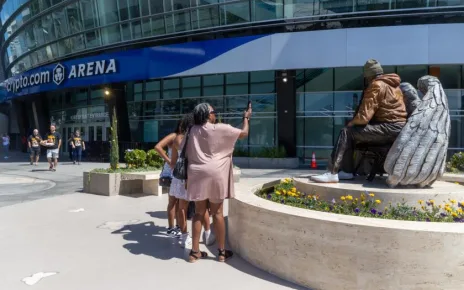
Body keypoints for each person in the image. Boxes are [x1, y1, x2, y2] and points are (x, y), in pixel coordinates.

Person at [173, 103, 251, 263]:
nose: (215, 114)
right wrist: (246, 118)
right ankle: (221, 252)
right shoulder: (220, 128)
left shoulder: (191, 130)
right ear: (209, 115)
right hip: (217, 175)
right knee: (217, 213)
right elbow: (244, 133)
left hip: (196, 175)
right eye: (214, 112)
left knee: (198, 213)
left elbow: (182, 148)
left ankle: (194, 253)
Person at [311, 59, 408, 183]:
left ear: (368, 75)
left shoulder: (376, 85)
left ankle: (332, 172)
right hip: (397, 129)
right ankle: (346, 171)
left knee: (346, 132)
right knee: (351, 133)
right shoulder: (394, 86)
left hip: (388, 128)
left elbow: (363, 117)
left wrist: (351, 123)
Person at [170, 113, 216, 249]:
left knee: (181, 207)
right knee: (202, 207)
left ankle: (185, 237)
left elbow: (173, 162)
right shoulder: (199, 138)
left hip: (181, 177)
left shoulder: (178, 139)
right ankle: (207, 234)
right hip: (197, 176)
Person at [155, 121, 181, 238]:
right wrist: (169, 160)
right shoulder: (174, 136)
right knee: (173, 202)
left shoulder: (185, 137)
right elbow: (158, 147)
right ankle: (171, 228)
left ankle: (178, 227)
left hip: (180, 174)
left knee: (180, 203)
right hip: (171, 174)